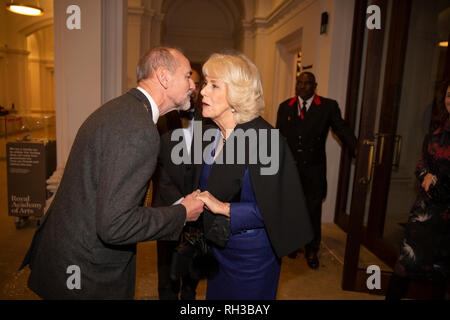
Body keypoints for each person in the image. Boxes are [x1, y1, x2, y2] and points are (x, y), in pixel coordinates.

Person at [19, 46, 204, 299]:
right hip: (87, 272)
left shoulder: (121, 109)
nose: (192, 85)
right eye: (187, 76)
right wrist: (182, 212)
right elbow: (116, 225)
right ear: (163, 76)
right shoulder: (139, 130)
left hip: (68, 255)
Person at [193, 52, 313, 300]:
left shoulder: (265, 140)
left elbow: (280, 209)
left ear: (237, 94)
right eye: (205, 83)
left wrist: (224, 208)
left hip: (250, 257)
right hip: (217, 246)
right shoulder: (209, 133)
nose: (203, 91)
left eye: (214, 85)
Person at [276, 72, 357, 269]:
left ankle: (312, 248)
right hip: (291, 168)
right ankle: (293, 243)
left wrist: (357, 148)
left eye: (307, 83)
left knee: (312, 209)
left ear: (315, 86)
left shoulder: (328, 106)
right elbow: (277, 137)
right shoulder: (285, 106)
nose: (302, 86)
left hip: (314, 168)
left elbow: (341, 129)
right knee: (291, 207)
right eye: (299, 82)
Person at [386, 81, 450, 300]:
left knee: (443, 273)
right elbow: (421, 165)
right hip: (426, 212)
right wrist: (427, 177)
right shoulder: (435, 132)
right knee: (405, 264)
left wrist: (439, 180)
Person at [152, 69, 203, 300]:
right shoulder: (161, 117)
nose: (192, 87)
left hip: (200, 202)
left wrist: (196, 199)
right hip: (167, 203)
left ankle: (189, 297)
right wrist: (180, 202)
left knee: (193, 265)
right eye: (187, 81)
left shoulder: (211, 117)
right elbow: (156, 166)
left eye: (196, 84)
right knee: (167, 268)